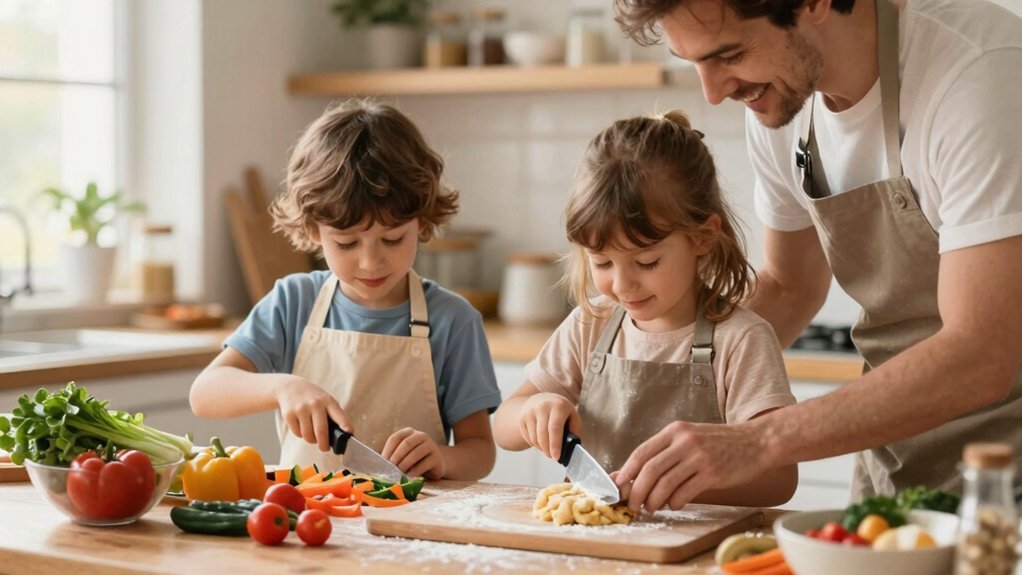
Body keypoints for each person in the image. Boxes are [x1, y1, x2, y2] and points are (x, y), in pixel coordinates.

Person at [612, 0, 1022, 512]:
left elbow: (982, 353)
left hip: (1009, 471)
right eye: (692, 62)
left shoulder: (978, 74)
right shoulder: (782, 104)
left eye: (730, 54)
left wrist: (759, 440)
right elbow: (789, 284)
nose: (714, 93)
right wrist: (667, 391)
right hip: (895, 461)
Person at [493, 110, 798, 507]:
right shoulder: (592, 323)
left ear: (703, 237)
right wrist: (532, 412)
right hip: (594, 548)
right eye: (601, 263)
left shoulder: (741, 340)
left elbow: (778, 479)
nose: (622, 285)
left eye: (647, 262)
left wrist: (678, 485)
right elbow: (503, 426)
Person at [190, 99, 502, 480]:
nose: (371, 262)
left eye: (391, 239)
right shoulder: (293, 302)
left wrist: (442, 458)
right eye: (347, 244)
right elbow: (205, 393)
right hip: (310, 524)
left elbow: (481, 451)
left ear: (421, 223)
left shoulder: (453, 320)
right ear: (312, 231)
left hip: (409, 526)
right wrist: (282, 387)